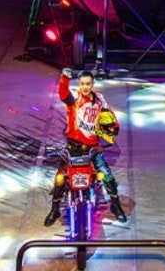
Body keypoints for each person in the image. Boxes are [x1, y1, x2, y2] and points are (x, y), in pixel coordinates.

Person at [44, 69, 127, 226]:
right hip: (73, 147)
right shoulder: (74, 100)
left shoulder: (100, 100)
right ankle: (55, 209)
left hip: (93, 147)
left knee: (106, 175)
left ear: (92, 84)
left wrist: (113, 128)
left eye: (88, 84)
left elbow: (110, 118)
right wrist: (64, 78)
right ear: (79, 84)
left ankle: (116, 206)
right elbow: (63, 93)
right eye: (82, 84)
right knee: (60, 178)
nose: (85, 87)